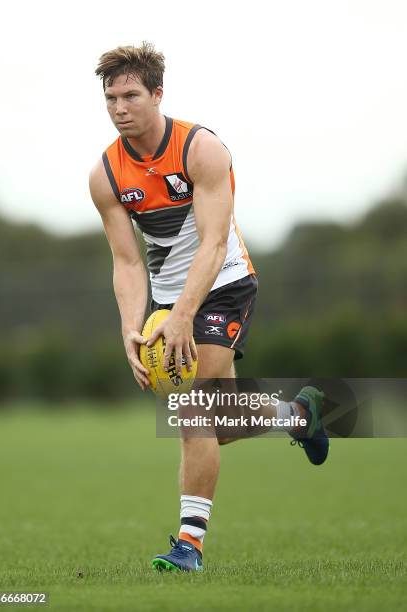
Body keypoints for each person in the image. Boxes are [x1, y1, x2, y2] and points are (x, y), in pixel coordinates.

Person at [89, 42, 329, 573]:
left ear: (157, 94)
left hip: (223, 284)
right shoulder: (105, 175)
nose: (119, 107)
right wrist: (132, 329)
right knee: (213, 419)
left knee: (195, 410)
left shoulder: (200, 149)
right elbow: (127, 264)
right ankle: (296, 415)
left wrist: (182, 317)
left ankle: (189, 547)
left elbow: (214, 244)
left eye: (131, 95)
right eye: (110, 98)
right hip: (167, 301)